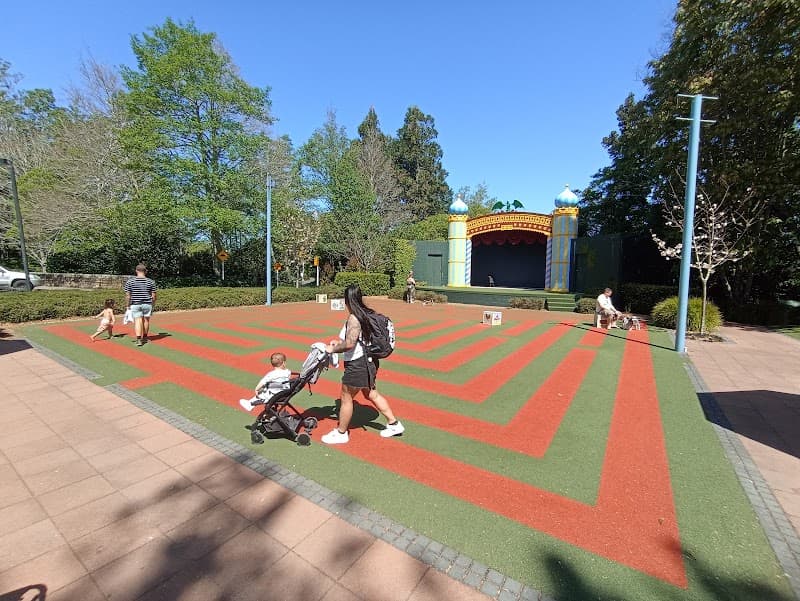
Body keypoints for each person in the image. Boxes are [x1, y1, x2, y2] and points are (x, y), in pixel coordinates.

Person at [321, 284, 404, 444]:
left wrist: (332, 349)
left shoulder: (354, 318)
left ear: (347, 301)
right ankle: (394, 424)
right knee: (371, 393)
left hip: (359, 364)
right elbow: (358, 340)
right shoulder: (366, 314)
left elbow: (350, 343)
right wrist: (338, 342)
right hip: (369, 362)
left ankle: (341, 433)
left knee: (346, 397)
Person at [124, 264, 157, 346]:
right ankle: (145, 337)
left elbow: (128, 296)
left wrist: (127, 306)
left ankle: (139, 339)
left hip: (135, 304)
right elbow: (154, 296)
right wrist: (153, 304)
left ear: (136, 271)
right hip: (147, 303)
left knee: (138, 321)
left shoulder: (130, 281)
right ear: (145, 271)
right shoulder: (151, 281)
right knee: (146, 320)